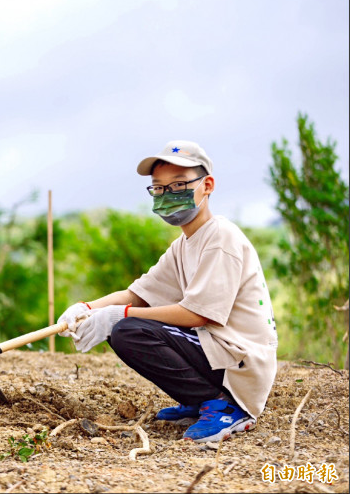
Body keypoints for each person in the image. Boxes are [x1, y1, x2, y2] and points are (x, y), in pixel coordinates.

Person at [57, 140, 278, 443]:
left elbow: (197, 315)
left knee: (129, 330)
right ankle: (199, 401)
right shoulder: (183, 245)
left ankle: (226, 406)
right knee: (126, 324)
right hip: (216, 352)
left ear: (207, 185)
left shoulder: (221, 238)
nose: (166, 195)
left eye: (178, 185)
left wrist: (117, 315)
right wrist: (86, 308)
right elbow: (138, 294)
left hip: (239, 359)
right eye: (158, 188)